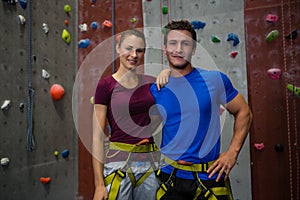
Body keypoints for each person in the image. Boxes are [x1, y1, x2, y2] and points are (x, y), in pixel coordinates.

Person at [151, 20, 253, 200]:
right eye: (173, 43)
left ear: (194, 49)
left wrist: (232, 153)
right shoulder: (157, 88)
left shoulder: (215, 80)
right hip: (169, 179)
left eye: (185, 43)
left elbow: (244, 112)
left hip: (209, 177)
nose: (179, 49)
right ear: (165, 49)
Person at [93, 29, 162, 200]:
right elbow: (97, 136)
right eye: (128, 49)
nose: (134, 55)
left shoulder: (150, 83)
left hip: (149, 165)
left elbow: (159, 117)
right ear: (118, 48)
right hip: (118, 165)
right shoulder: (105, 85)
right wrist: (99, 185)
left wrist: (167, 73)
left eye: (139, 50)